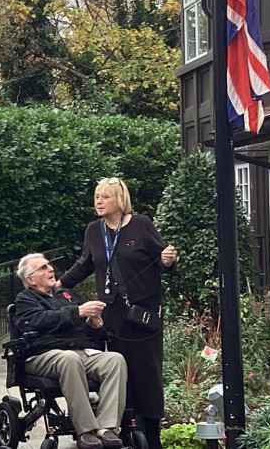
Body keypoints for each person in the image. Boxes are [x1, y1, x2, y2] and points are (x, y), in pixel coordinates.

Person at [59, 177, 177, 449]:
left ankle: (151, 434)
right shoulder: (93, 230)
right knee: (118, 371)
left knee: (147, 373)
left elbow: (162, 260)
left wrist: (168, 260)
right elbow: (84, 264)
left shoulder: (141, 224)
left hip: (141, 315)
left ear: (120, 200)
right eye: (97, 196)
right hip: (111, 316)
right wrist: (58, 284)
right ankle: (122, 431)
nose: (99, 201)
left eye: (105, 196)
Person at [12, 253, 128, 449]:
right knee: (69, 359)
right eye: (43, 267)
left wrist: (95, 325)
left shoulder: (69, 295)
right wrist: (77, 312)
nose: (50, 269)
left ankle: (107, 428)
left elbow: (93, 337)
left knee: (115, 360)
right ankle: (86, 431)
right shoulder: (25, 299)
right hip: (43, 354)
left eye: (49, 265)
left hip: (80, 352)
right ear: (30, 279)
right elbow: (36, 321)